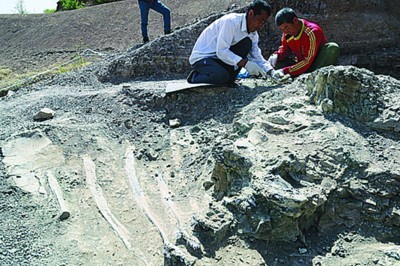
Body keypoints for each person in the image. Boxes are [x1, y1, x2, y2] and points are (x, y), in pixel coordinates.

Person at [187, 0, 276, 84]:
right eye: (259, 21)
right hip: (203, 58)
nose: (260, 25)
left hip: (219, 59)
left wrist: (271, 72)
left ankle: (226, 77)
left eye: (263, 23)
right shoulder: (231, 22)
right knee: (221, 76)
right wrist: (246, 64)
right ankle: (194, 77)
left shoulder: (253, 34)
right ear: (251, 13)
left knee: (246, 44)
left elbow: (256, 56)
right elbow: (221, 51)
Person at [268, 7, 340, 79]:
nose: (285, 32)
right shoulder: (287, 34)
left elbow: (307, 61)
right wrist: (276, 55)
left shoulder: (312, 32)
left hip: (316, 65)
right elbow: (285, 50)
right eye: (282, 29)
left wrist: (284, 71)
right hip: (301, 66)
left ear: (295, 20)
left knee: (332, 48)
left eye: (287, 27)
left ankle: (316, 78)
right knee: (276, 62)